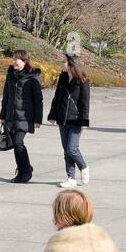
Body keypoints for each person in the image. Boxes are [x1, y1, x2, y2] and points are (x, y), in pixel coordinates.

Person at [47, 51, 91, 189]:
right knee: (66, 150)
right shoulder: (63, 78)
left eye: (64, 61)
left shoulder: (83, 80)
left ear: (72, 64)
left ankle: (83, 167)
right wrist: (52, 114)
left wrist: (84, 121)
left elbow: (85, 102)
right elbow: (57, 97)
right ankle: (71, 178)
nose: (62, 64)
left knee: (72, 149)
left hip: (76, 120)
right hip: (62, 119)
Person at [0, 49, 43, 183]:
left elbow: (38, 100)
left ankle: (27, 171)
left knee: (18, 142)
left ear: (24, 61)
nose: (13, 62)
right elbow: (6, 96)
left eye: (16, 59)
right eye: (13, 59)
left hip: (25, 116)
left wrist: (37, 119)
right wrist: (2, 116)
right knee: (15, 145)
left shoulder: (32, 78)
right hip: (10, 116)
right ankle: (22, 170)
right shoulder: (11, 76)